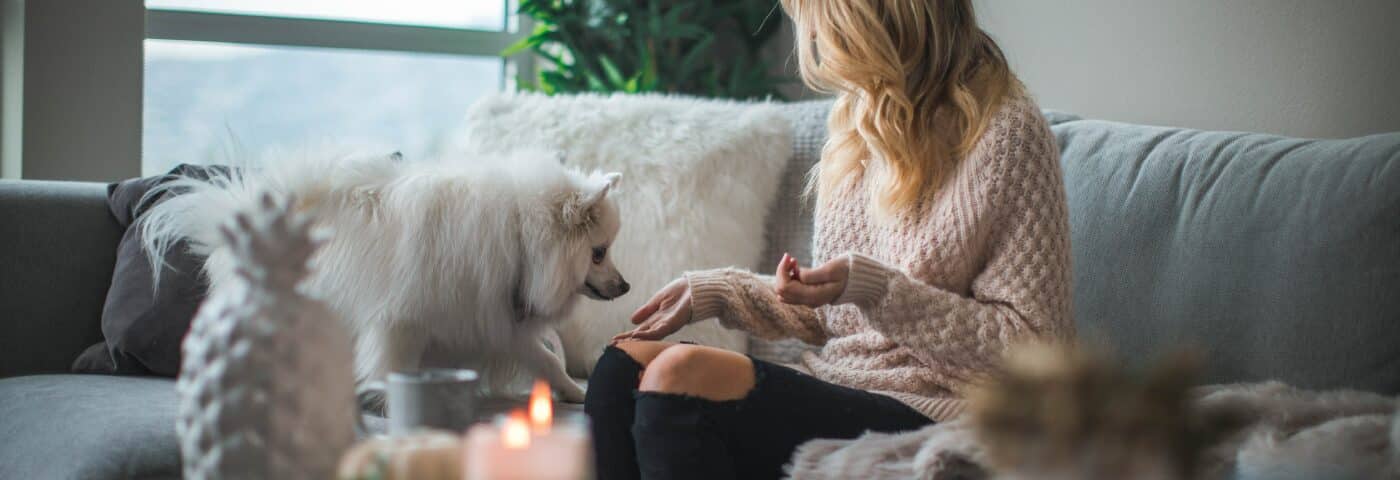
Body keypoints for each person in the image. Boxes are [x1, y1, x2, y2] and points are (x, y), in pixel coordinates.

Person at [584, 0, 1072, 478]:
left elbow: (1033, 351)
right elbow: (835, 313)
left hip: (940, 408)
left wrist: (879, 290)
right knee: (619, 368)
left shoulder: (1007, 133)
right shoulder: (857, 120)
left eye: (818, 22)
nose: (813, 41)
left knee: (679, 377)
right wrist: (723, 292)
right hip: (838, 383)